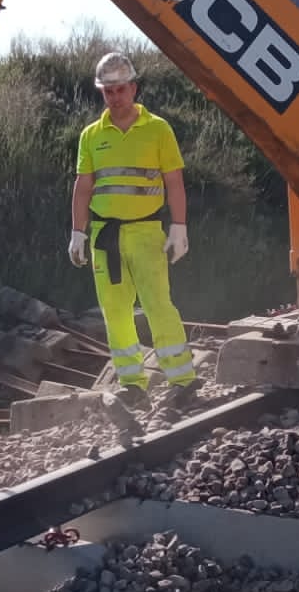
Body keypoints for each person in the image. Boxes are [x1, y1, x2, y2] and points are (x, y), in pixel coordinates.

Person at [68, 51, 200, 407]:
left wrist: (179, 228)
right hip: (105, 237)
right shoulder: (91, 135)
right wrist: (78, 232)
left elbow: (174, 182)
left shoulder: (158, 129)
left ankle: (183, 380)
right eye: (107, 91)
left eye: (120, 89)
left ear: (133, 88)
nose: (114, 96)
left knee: (158, 304)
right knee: (115, 312)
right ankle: (132, 384)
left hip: (146, 233)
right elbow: (83, 187)